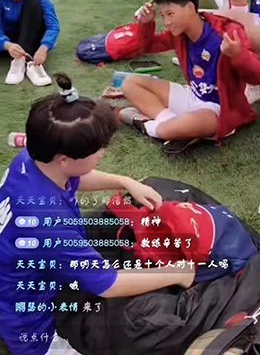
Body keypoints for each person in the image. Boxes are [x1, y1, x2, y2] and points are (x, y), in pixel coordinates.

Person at [0, 73, 194, 355]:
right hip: (37, 323)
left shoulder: (31, 159)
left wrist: (125, 182)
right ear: (64, 158)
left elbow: (74, 177)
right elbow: (109, 285)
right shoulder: (48, 224)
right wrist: (176, 272)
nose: (102, 152)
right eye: (96, 149)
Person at [120, 0, 260, 153]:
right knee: (130, 84)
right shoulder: (179, 33)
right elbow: (145, 47)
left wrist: (237, 55)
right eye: (162, 15)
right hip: (192, 95)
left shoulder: (226, 32)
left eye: (170, 14)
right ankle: (174, 125)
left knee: (166, 130)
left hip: (218, 109)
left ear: (191, 7)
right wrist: (146, 23)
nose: (166, 22)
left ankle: (150, 125)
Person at [0, 0, 60, 86]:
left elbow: (52, 25)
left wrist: (44, 47)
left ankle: (24, 61)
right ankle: (17, 55)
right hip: (6, 36)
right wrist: (6, 44)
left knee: (33, 5)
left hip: (29, 34)